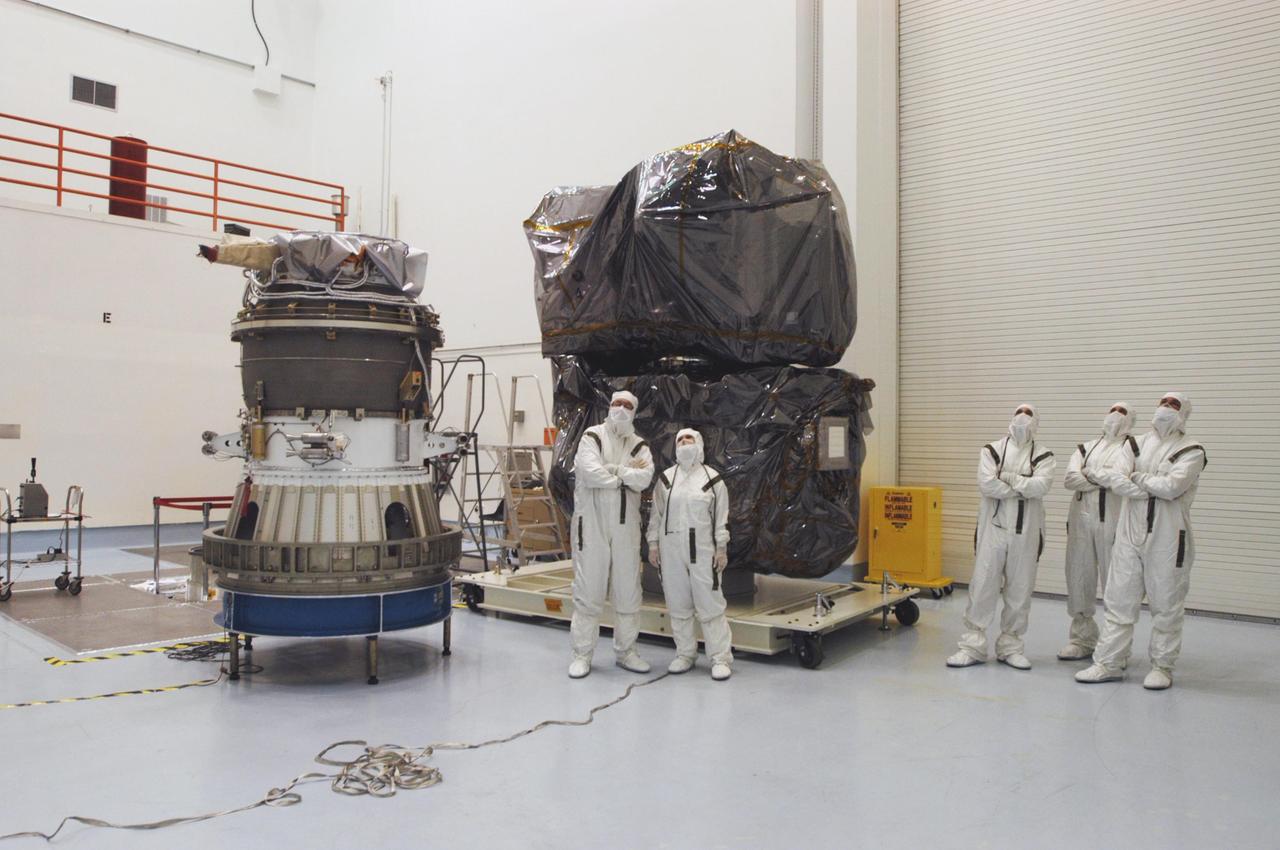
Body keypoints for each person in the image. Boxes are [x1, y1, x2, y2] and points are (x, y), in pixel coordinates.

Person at [1076, 393, 1207, 690]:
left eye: (1174, 406)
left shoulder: (1192, 449)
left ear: (1184, 413)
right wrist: (1147, 484)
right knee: (1118, 598)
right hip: (1128, 532)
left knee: (1166, 602)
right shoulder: (1134, 443)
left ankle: (1162, 666)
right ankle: (1108, 662)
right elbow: (1116, 480)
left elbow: (1173, 487)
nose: (1166, 409)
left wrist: (1138, 479)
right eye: (1163, 403)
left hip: (1169, 535)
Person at [947, 404, 1056, 671]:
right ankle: (972, 645)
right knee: (983, 584)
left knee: (1020, 589)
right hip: (993, 529)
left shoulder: (1044, 455)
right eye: (1019, 411)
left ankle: (1011, 647)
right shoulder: (991, 450)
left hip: (1027, 531)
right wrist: (1022, 485)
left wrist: (1006, 478)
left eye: (1029, 414)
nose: (1023, 417)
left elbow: (1041, 486)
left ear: (1036, 422)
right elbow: (987, 484)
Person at [567, 390, 655, 679]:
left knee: (628, 591)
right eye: (616, 403)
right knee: (589, 590)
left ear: (634, 412)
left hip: (625, 528)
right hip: (591, 525)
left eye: (627, 405)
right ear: (609, 406)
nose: (620, 409)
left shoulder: (639, 445)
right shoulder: (592, 436)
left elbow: (644, 479)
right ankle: (582, 654)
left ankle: (626, 651)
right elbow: (589, 471)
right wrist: (623, 474)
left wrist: (614, 471)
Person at [647, 429, 734, 681]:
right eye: (680, 440)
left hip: (703, 550)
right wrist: (653, 544)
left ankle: (720, 657)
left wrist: (721, 548)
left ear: (699, 444)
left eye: (689, 439)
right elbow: (656, 515)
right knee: (678, 603)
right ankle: (685, 653)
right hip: (671, 549)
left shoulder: (713, 480)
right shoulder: (665, 480)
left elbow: (721, 518)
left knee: (710, 604)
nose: (685, 444)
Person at [1058, 402, 1137, 661]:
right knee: (1079, 577)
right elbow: (1070, 479)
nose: (1116, 415)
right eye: (1113, 410)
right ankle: (1082, 638)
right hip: (1081, 521)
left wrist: (1091, 475)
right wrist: (1103, 478)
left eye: (1123, 412)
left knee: (1116, 583)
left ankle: (1116, 649)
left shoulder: (1134, 449)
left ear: (1131, 420)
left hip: (1115, 522)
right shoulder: (1086, 447)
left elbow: (1122, 480)